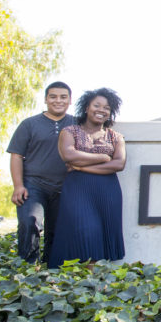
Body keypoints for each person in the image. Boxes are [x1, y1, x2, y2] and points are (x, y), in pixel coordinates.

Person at [47, 88, 127, 268]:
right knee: (85, 230)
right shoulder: (70, 131)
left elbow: (118, 164)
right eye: (96, 105)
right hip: (77, 190)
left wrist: (82, 166)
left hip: (107, 191)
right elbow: (69, 155)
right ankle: (79, 280)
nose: (101, 110)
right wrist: (103, 158)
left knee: (100, 235)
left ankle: (92, 282)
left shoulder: (116, 137)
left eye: (106, 107)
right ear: (86, 108)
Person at [7, 81, 76, 263]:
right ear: (46, 99)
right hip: (33, 184)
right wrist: (18, 185)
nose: (58, 100)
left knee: (58, 230)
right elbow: (16, 156)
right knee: (30, 221)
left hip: (65, 186)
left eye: (63, 97)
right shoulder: (29, 124)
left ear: (70, 100)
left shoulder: (77, 124)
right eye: (53, 96)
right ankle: (28, 268)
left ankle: (52, 270)